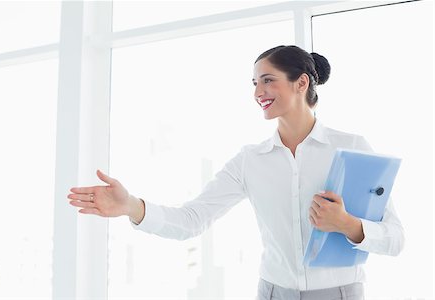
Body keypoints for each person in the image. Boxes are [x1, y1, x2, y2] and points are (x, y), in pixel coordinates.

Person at [67, 45, 405, 300]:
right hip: (272, 292)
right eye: (255, 83)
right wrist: (132, 206)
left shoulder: (352, 147)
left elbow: (395, 238)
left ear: (301, 83)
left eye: (268, 81)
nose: (258, 93)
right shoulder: (250, 160)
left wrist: (348, 225)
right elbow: (191, 219)